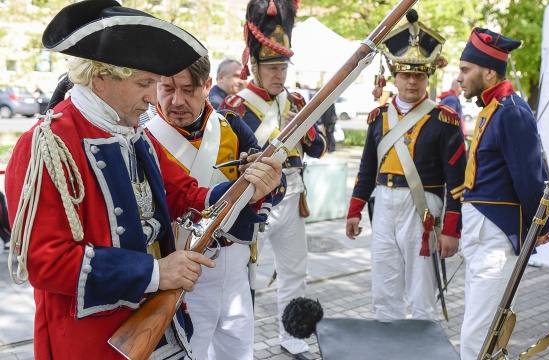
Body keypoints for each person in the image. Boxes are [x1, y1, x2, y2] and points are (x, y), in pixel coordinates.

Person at [3, 1, 282, 359]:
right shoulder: (47, 145)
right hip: (91, 341)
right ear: (102, 79)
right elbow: (45, 263)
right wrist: (154, 272)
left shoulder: (135, 135)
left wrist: (249, 186)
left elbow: (187, 196)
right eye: (144, 83)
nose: (154, 98)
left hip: (157, 331)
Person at [144, 54, 285, 360]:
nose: (177, 100)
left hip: (234, 266)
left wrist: (267, 180)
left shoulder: (231, 125)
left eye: (189, 89)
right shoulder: (144, 138)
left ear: (207, 86)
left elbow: (277, 183)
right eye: (167, 89)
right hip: (181, 270)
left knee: (239, 352)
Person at [220, 0, 327, 358]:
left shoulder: (296, 101)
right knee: (244, 275)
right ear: (255, 66)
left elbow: (319, 149)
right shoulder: (237, 106)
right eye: (273, 67)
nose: (279, 74)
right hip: (258, 196)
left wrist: (306, 127)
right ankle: (239, 344)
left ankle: (292, 335)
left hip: (294, 193)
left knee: (295, 270)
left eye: (283, 66)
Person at [345, 9, 466, 323]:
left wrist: (451, 230)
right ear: (394, 76)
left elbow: (457, 183)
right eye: (405, 74)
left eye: (419, 75)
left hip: (422, 207)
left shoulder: (444, 120)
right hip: (384, 204)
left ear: (427, 77)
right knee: (384, 285)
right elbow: (367, 170)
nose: (412, 81)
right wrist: (355, 210)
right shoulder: (378, 118)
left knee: (421, 290)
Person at [456, 27, 549, 359]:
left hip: (495, 238)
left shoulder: (511, 110)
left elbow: (531, 176)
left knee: (477, 338)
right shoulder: (493, 107)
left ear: (488, 71)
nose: (460, 78)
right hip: (482, 237)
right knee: (479, 330)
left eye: (465, 70)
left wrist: (543, 224)